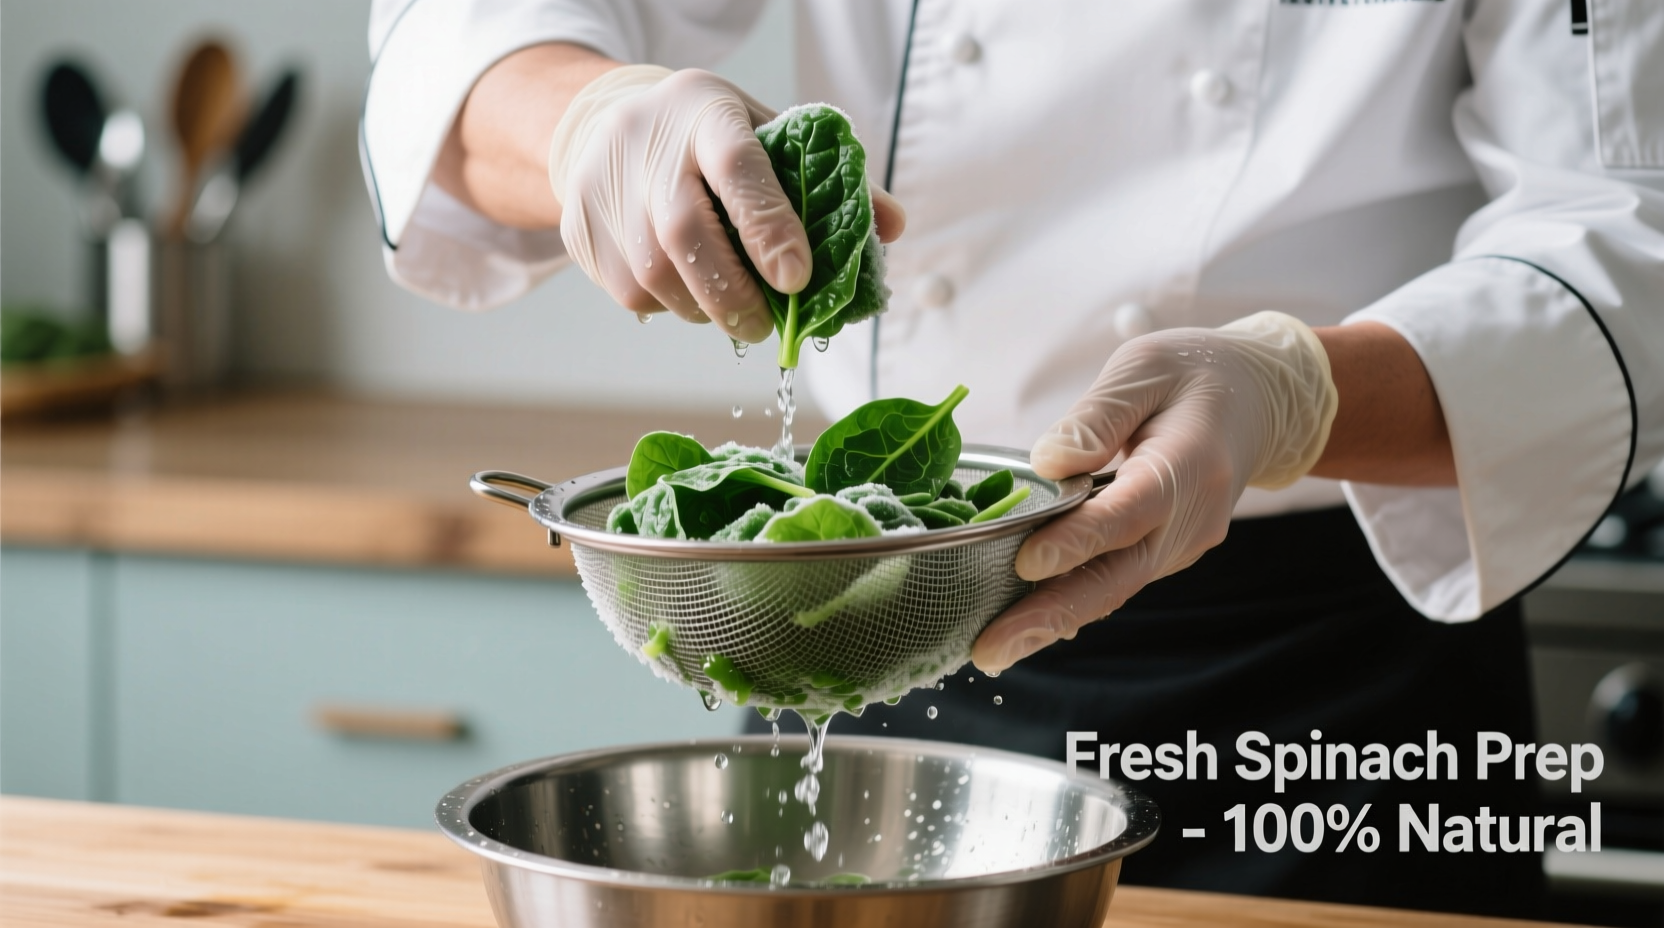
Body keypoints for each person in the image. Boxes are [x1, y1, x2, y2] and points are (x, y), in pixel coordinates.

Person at [360, 1, 1664, 918]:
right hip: (851, 613)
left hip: (1325, 686)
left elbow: (1630, 234)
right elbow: (461, 55)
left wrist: (1295, 393)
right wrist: (594, 119)